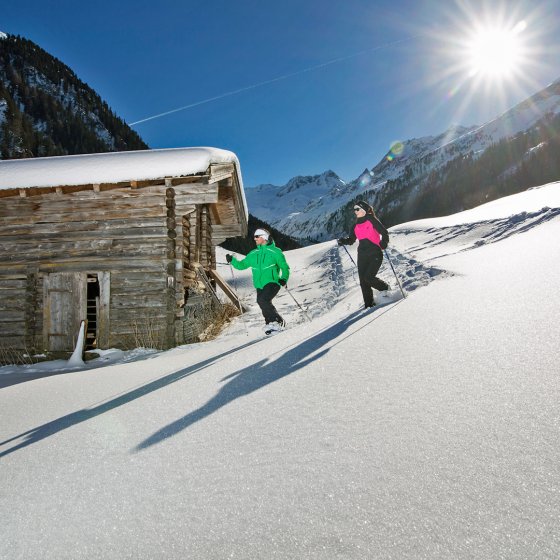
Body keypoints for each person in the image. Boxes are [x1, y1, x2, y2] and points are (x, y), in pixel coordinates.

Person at [226, 228, 290, 335]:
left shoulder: (275, 252)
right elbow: (242, 265)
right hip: (259, 285)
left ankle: (278, 321)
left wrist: (283, 278)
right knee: (262, 302)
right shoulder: (253, 253)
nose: (254, 238)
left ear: (264, 237)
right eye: (254, 236)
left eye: (257, 236)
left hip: (273, 282)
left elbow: (285, 268)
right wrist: (232, 261)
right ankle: (270, 323)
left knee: (263, 300)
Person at [337, 201, 390, 308]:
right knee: (363, 282)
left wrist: (384, 242)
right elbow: (351, 240)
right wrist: (343, 241)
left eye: (357, 209)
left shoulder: (371, 220)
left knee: (369, 277)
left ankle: (385, 289)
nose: (355, 211)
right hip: (362, 255)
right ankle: (369, 305)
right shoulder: (355, 225)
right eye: (354, 209)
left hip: (375, 253)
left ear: (364, 209)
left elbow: (384, 232)